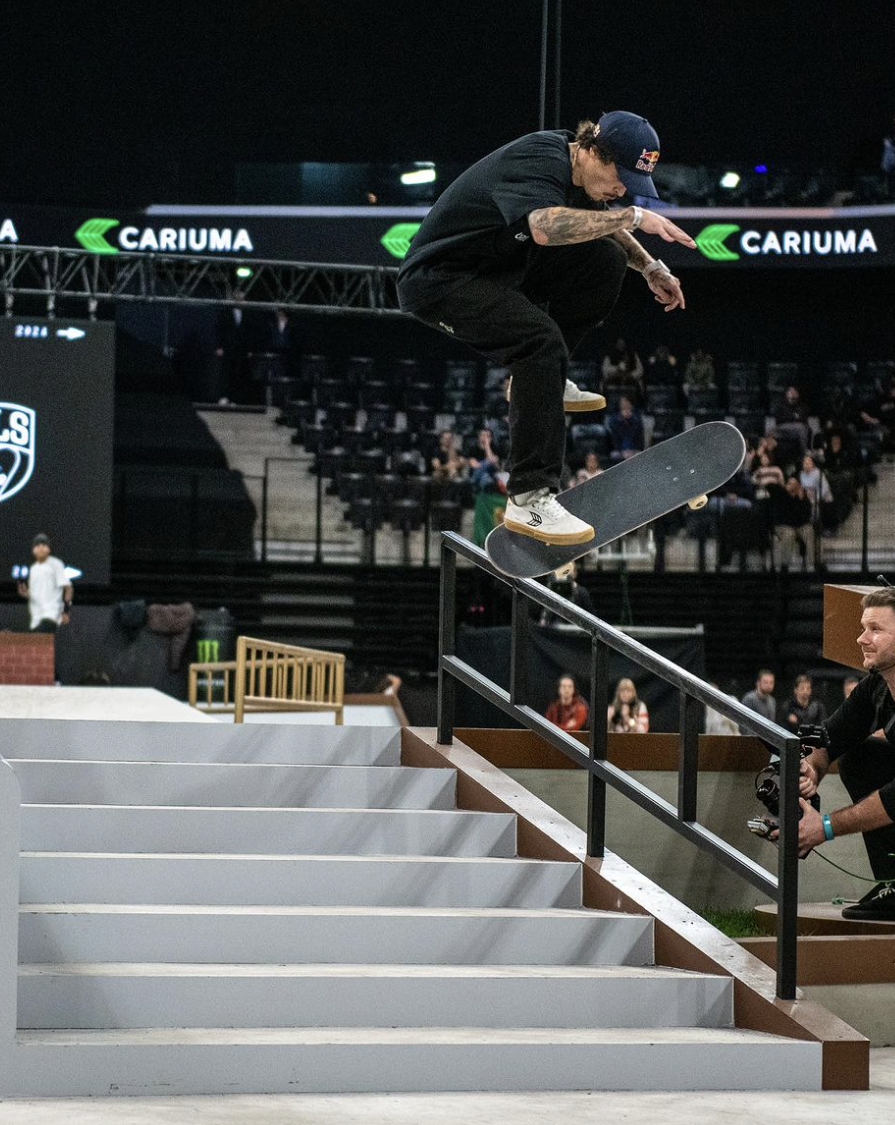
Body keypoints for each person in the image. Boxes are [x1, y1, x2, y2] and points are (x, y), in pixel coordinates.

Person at [396, 110, 695, 547]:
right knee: (540, 342)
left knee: (607, 262)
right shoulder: (539, 159)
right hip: (441, 282)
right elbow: (543, 226)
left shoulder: (582, 176)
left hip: (497, 272)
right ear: (594, 151)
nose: (622, 191)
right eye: (621, 178)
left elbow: (603, 224)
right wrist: (632, 217)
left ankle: (540, 379)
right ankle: (529, 497)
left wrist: (650, 267)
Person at [790, 587, 895, 920]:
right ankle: (892, 883)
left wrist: (824, 826)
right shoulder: (877, 684)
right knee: (861, 757)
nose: (862, 639)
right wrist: (811, 771)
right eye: (863, 628)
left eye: (875, 629)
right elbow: (829, 739)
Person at [16, 533, 72, 633]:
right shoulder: (34, 569)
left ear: (48, 549)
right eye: (38, 545)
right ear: (33, 550)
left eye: (44, 545)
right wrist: (26, 594)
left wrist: (66, 611)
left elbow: (68, 588)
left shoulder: (56, 564)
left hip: (51, 616)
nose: (41, 548)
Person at [606, 396, 645, 461]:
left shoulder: (637, 417)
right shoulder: (614, 418)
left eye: (627, 402)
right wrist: (622, 420)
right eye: (622, 403)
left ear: (631, 404)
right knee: (614, 455)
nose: (625, 405)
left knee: (639, 455)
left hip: (635, 448)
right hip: (619, 449)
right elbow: (615, 434)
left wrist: (630, 419)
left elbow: (638, 434)